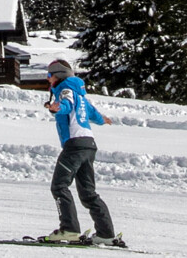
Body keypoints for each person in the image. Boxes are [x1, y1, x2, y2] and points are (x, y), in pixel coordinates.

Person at [41, 59, 120, 245]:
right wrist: (103, 120)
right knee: (88, 192)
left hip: (75, 145)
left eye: (49, 76)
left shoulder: (65, 90)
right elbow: (93, 114)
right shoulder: (81, 96)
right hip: (89, 145)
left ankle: (69, 229)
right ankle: (106, 234)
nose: (48, 80)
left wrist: (57, 107)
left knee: (59, 186)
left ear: (58, 76)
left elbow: (66, 104)